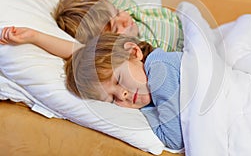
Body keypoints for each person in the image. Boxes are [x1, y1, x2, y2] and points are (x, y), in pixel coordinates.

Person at [0, 26, 184, 150]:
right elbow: (87, 56)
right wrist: (35, 38)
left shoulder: (161, 67)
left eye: (119, 80)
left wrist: (36, 36)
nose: (123, 94)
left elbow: (173, 138)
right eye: (112, 98)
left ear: (134, 52)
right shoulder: (147, 100)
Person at [4, 0, 184, 52]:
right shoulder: (136, 53)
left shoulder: (129, 11)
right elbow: (80, 52)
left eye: (118, 12)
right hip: (187, 51)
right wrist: (35, 36)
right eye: (115, 29)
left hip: (185, 25)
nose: (124, 19)